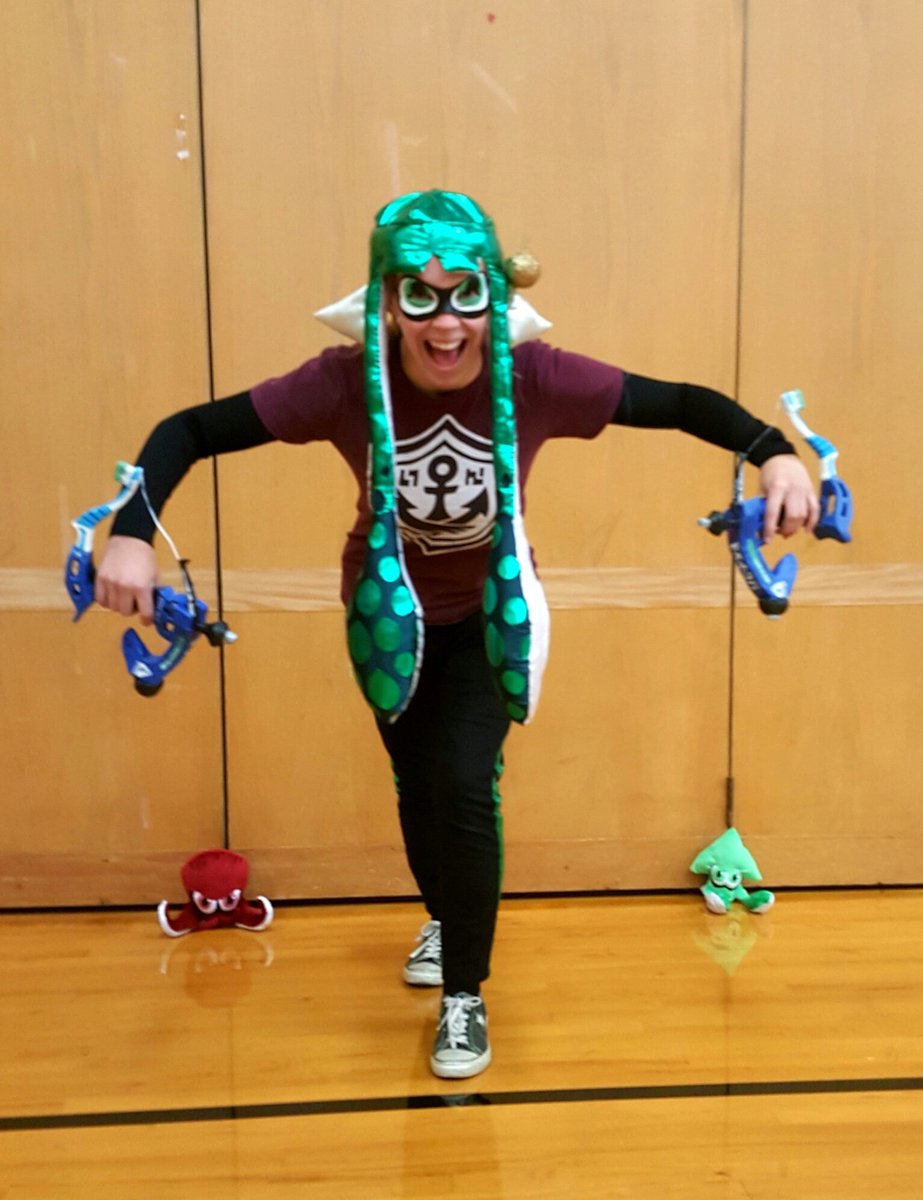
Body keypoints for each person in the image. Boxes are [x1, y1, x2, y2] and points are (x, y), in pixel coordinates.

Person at [95, 190, 819, 1080]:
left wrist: (773, 452)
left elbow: (676, 403)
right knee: (417, 784)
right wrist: (132, 532)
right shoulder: (342, 383)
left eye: (465, 296)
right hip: (385, 614)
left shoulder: (537, 376)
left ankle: (464, 996)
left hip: (490, 610)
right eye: (419, 297)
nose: (445, 325)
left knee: (464, 783)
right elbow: (191, 430)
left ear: (494, 297)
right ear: (386, 303)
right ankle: (445, 916)